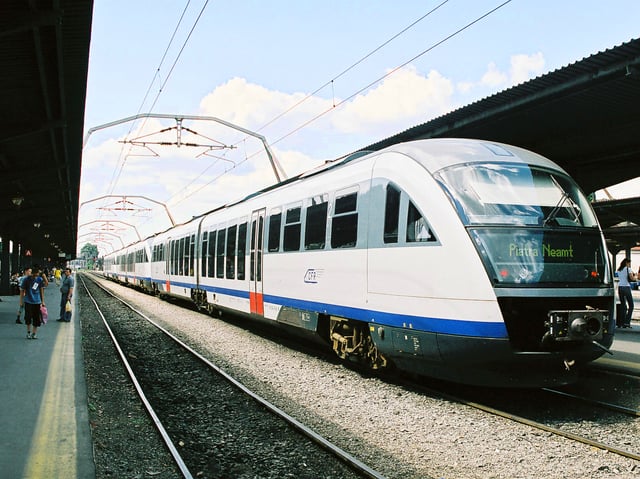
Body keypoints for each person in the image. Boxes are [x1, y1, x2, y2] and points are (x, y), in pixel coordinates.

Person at [20, 266, 48, 339]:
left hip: (37, 302)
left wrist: (42, 301)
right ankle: (28, 332)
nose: (36, 276)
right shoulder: (26, 280)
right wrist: (21, 301)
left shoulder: (39, 279)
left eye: (37, 274)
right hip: (28, 301)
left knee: (36, 318)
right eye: (35, 274)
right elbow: (22, 290)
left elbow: (42, 289)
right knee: (28, 317)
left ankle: (34, 333)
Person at [617, 258, 635, 328]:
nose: (630, 264)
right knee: (631, 305)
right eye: (629, 263)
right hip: (626, 287)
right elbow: (631, 278)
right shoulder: (628, 269)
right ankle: (627, 322)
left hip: (620, 287)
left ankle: (621, 323)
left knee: (623, 305)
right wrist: (635, 278)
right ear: (627, 263)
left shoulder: (619, 270)